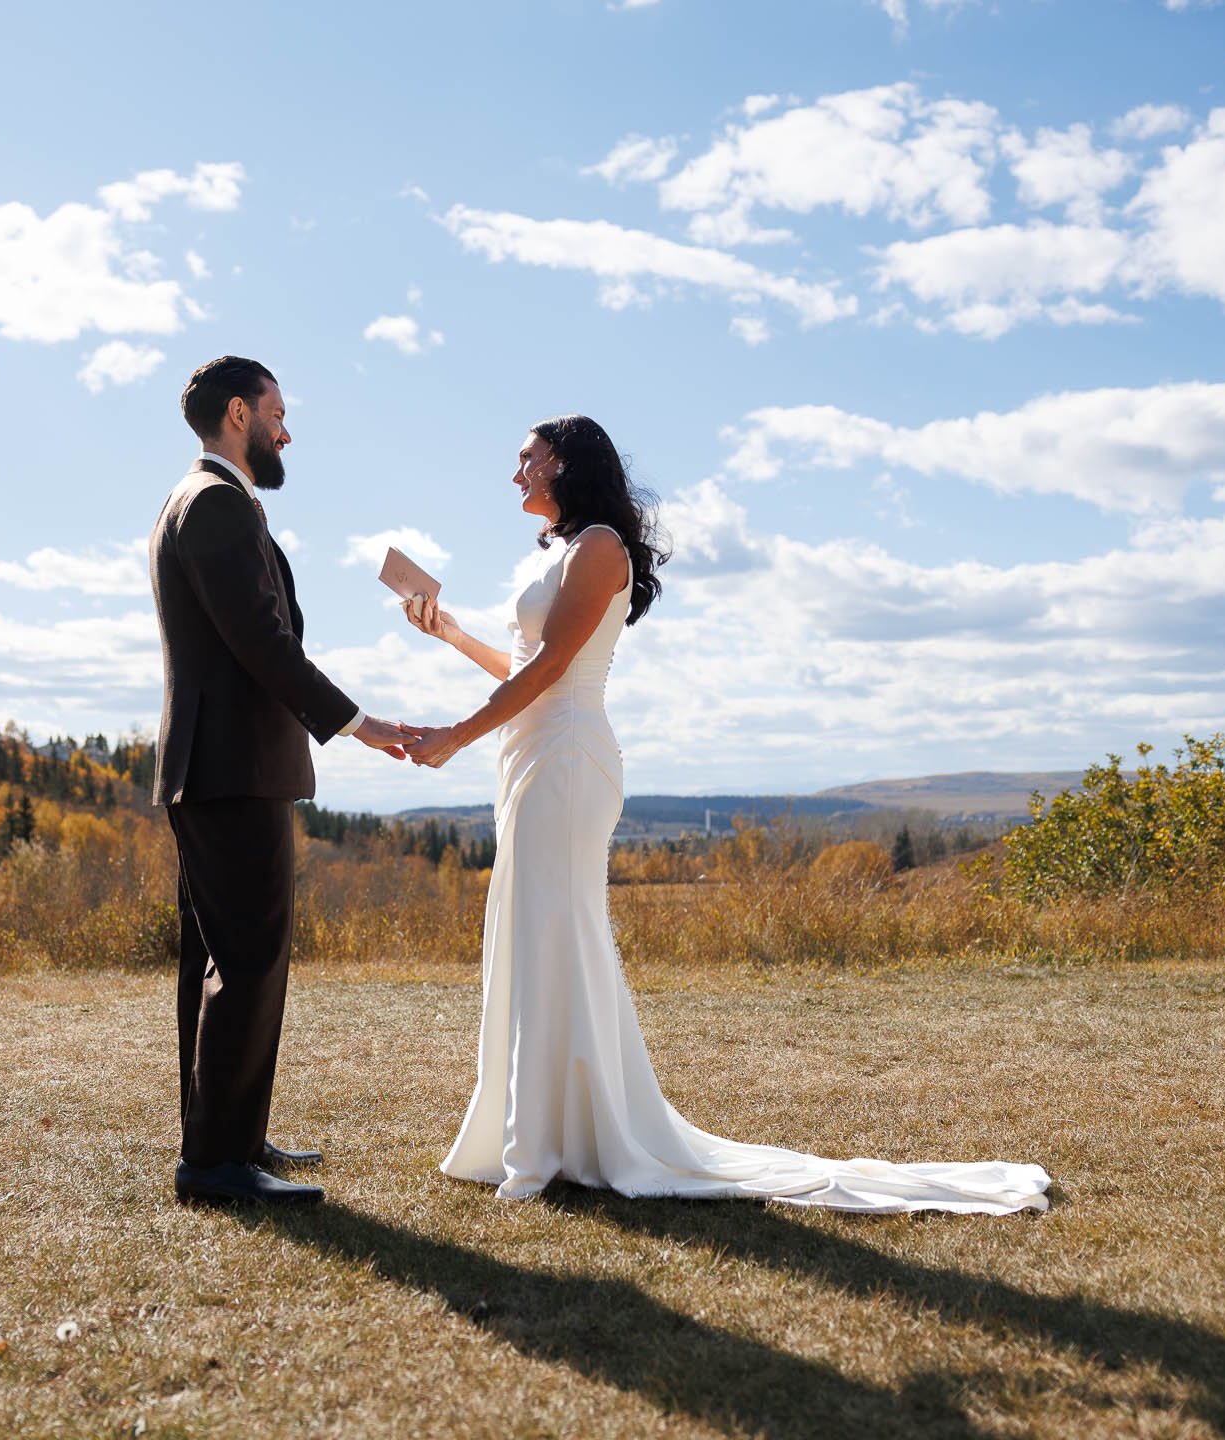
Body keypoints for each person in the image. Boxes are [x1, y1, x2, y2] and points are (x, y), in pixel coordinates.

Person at [399, 414, 1050, 1213]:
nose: (515, 475)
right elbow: (525, 666)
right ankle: (542, 1134)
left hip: (567, 758)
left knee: (554, 931)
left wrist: (456, 737)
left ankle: (542, 1147)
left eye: (526, 459)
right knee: (534, 931)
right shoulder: (565, 553)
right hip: (534, 756)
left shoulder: (600, 546)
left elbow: (555, 670)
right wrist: (451, 631)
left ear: (565, 462)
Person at [149, 355, 418, 1207]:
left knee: (220, 961)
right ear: (239, 413)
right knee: (252, 959)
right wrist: (358, 723)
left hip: (218, 767)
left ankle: (228, 1136)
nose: (285, 430)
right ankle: (218, 1165)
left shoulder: (200, 502)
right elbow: (265, 645)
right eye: (277, 413)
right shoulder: (216, 506)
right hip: (233, 769)